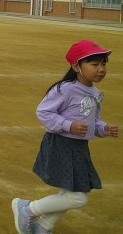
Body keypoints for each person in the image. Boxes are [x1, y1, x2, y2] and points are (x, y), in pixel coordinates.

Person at [11, 40, 117, 234]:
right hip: (60, 145)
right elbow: (44, 112)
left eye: (103, 64)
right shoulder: (65, 89)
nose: (101, 69)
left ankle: (44, 227)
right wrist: (69, 125)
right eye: (94, 64)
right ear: (76, 67)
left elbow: (91, 119)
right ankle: (28, 209)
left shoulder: (93, 91)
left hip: (78, 148)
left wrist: (103, 128)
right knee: (78, 197)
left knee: (67, 192)